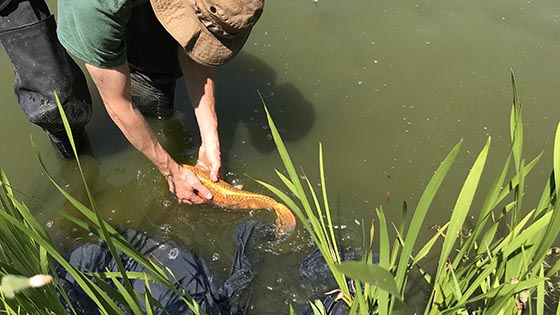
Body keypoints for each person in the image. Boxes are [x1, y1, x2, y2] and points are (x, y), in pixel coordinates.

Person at [1, 0, 264, 205]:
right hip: (82, 8)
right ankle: (77, 158)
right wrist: (171, 171)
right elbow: (118, 104)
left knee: (155, 83)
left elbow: (194, 47)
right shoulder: (97, 8)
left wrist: (210, 139)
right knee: (58, 102)